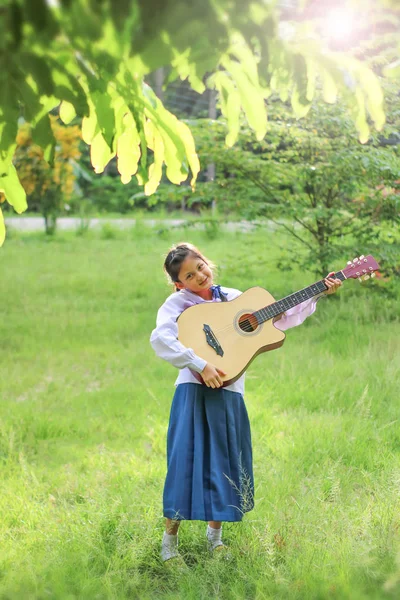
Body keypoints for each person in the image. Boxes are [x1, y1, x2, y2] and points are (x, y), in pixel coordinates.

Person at [150, 242, 342, 564]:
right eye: (189, 275)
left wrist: (319, 291)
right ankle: (170, 540)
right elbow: (161, 338)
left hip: (229, 388)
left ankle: (216, 538)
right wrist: (200, 364)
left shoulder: (236, 298)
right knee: (185, 460)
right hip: (193, 389)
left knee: (225, 462)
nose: (200, 275)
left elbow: (280, 317)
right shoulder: (178, 304)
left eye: (200, 267)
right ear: (178, 283)